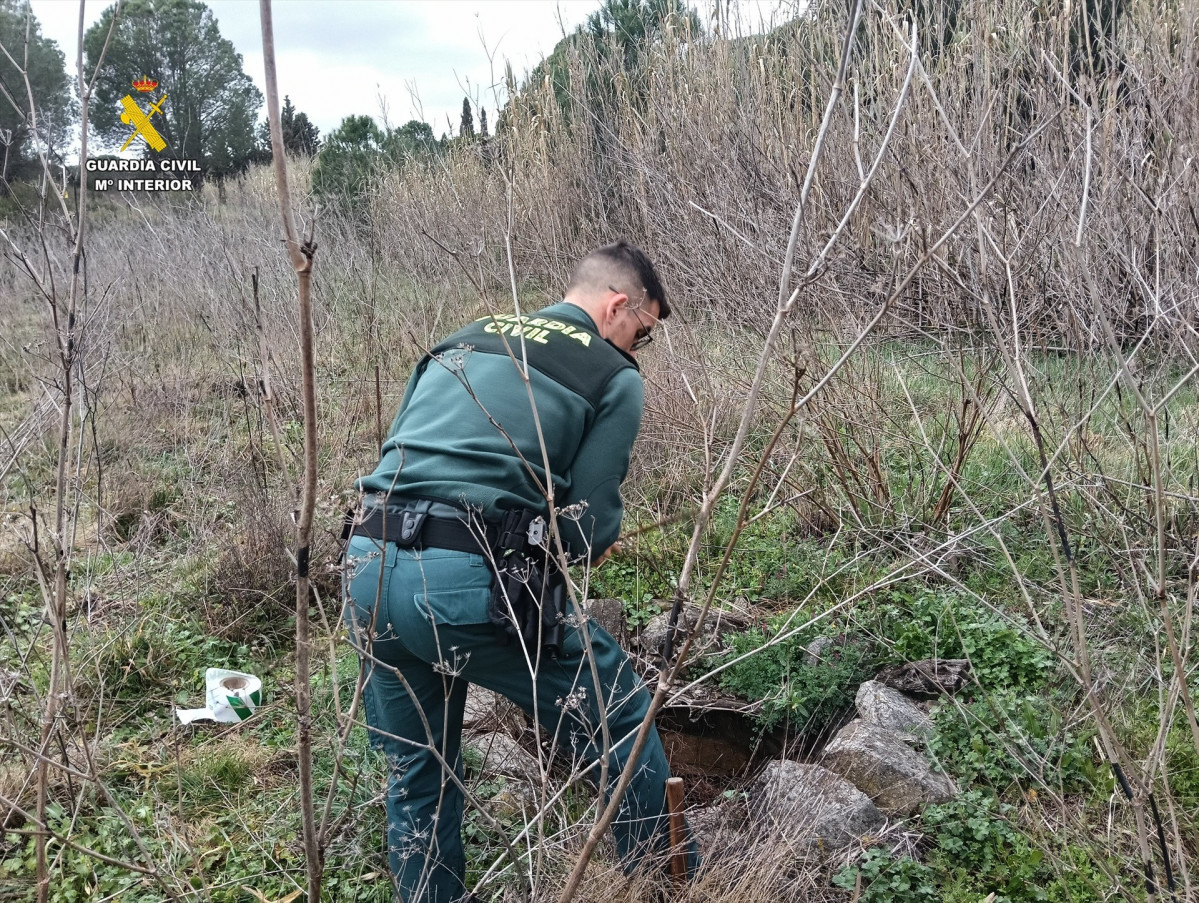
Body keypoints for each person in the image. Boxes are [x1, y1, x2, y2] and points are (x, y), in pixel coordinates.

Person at [343, 241, 697, 902]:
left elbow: (415, 460)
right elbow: (588, 528)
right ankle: (667, 887)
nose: (635, 349)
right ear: (616, 304)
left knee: (418, 770)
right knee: (620, 719)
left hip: (366, 564)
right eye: (641, 333)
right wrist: (587, 538)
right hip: (463, 584)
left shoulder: (459, 339)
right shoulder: (611, 373)